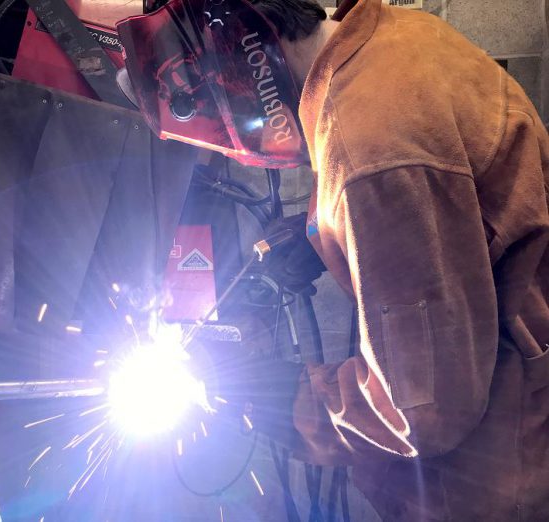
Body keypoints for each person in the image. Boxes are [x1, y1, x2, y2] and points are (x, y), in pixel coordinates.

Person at [117, 0, 549, 519]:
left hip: (505, 472)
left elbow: (419, 414)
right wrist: (322, 232)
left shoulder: (370, 145)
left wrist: (274, 395)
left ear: (238, 58)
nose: (234, 147)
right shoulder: (390, 40)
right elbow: (459, 205)